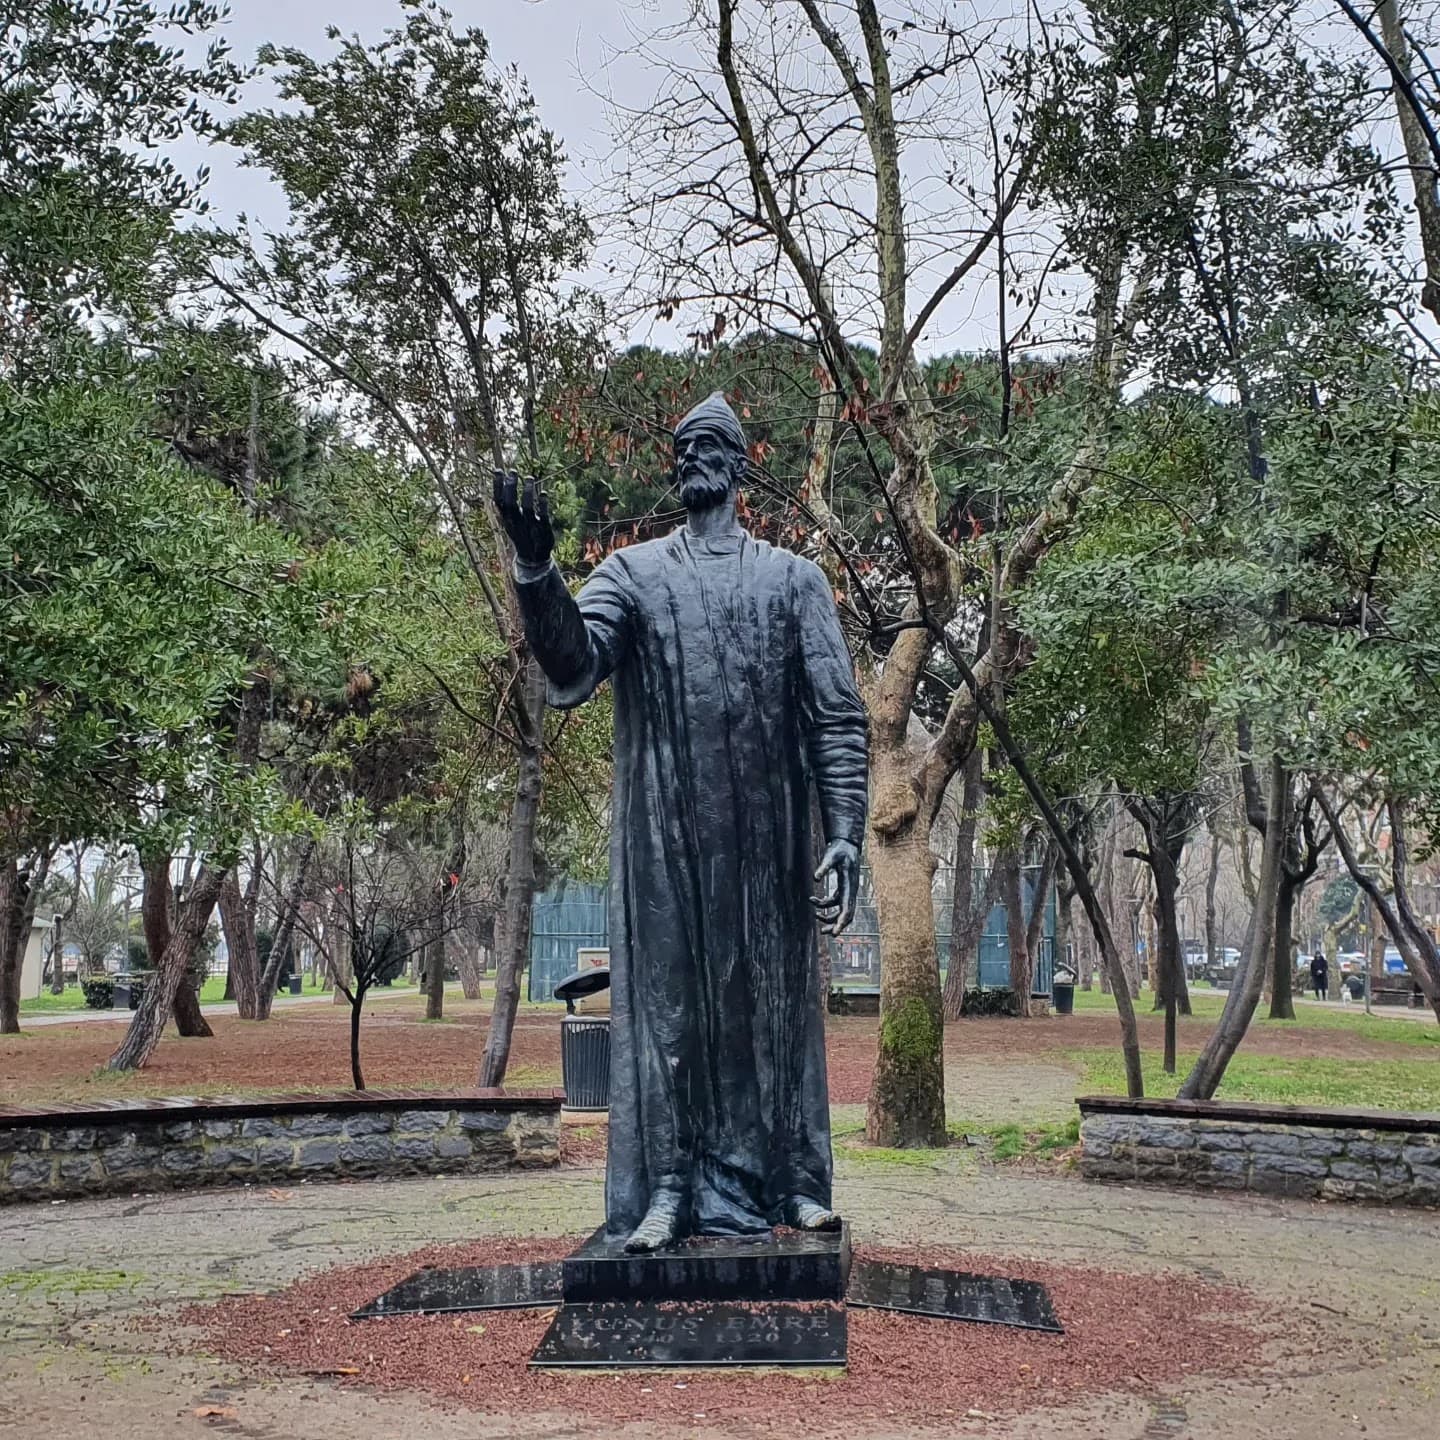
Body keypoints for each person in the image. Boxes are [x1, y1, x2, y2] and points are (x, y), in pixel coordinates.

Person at [495, 391, 869, 1254]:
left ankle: (796, 1184)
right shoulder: (632, 574)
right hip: (665, 842)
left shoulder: (793, 580)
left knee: (769, 1013)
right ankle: (666, 1189)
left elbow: (836, 716)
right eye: (682, 446)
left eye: (708, 445)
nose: (690, 456)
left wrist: (843, 830)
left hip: (769, 844)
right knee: (668, 1016)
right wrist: (534, 569)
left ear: (739, 464)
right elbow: (576, 662)